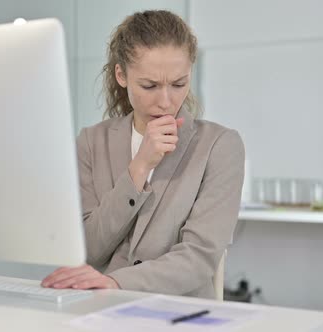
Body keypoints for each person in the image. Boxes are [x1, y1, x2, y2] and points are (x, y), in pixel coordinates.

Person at [41, 10, 244, 299]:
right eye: (149, 86)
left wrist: (118, 282)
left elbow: (199, 258)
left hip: (180, 313)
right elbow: (87, 249)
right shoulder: (91, 142)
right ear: (121, 75)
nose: (166, 102)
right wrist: (139, 168)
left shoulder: (219, 145)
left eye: (178, 84)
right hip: (101, 309)